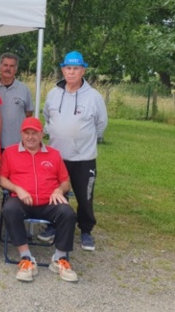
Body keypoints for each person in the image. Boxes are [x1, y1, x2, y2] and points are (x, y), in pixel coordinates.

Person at [41, 51, 108, 251]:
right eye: (68, 68)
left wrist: (81, 140)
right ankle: (53, 224)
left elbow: (101, 125)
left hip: (83, 158)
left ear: (83, 70)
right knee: (56, 194)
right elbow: (47, 117)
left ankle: (86, 230)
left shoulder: (94, 97)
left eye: (75, 68)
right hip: (56, 157)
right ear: (63, 70)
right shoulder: (53, 94)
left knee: (84, 196)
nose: (71, 72)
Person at [0, 117, 78, 282]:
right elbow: (1, 179)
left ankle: (59, 259)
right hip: (22, 200)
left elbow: (65, 182)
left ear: (42, 134)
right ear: (21, 134)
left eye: (34, 133)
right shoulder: (10, 152)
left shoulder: (54, 154)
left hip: (48, 201)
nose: (30, 137)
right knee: (9, 209)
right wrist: (17, 189)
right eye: (26, 133)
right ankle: (26, 258)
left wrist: (59, 190)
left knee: (68, 213)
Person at [0, 53, 33, 150]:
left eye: (12, 66)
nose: (8, 68)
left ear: (16, 69)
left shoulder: (24, 89)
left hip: (17, 144)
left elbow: (28, 113)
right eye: (5, 65)